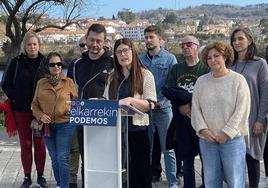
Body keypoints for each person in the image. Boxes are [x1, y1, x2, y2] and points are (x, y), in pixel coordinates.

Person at [191, 41, 250, 187]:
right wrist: (203, 130)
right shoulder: (201, 82)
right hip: (207, 141)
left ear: (225, 56)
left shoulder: (238, 80)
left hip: (232, 141)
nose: (212, 60)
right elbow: (195, 109)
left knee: (235, 182)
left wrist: (227, 132)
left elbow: (242, 110)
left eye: (216, 56)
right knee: (211, 182)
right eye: (209, 58)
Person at [103, 37, 157, 188]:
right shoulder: (113, 76)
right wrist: (98, 101)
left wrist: (131, 100)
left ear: (133, 52)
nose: (122, 55)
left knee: (140, 172)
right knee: (120, 173)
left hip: (138, 130)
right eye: (118, 52)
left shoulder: (145, 75)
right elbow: (108, 101)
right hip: (117, 132)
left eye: (125, 50)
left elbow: (151, 104)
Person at [68, 23, 113, 187]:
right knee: (85, 157)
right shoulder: (75, 63)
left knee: (106, 156)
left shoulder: (113, 62)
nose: (95, 44)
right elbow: (70, 91)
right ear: (86, 39)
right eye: (91, 40)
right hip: (82, 117)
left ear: (105, 41)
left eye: (99, 41)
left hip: (106, 117)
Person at [1, 31, 48, 188]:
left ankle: (41, 176)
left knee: (40, 144)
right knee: (26, 144)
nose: (32, 47)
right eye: (29, 44)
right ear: (25, 46)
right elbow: (5, 84)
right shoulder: (16, 62)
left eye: (35, 44)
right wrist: (16, 97)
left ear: (39, 45)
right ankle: (27, 177)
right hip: (21, 110)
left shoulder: (45, 62)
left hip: (40, 111)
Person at [166, 35, 209, 188]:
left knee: (206, 160)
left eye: (188, 44)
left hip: (203, 122)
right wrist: (179, 107)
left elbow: (210, 92)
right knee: (188, 161)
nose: (184, 47)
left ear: (197, 46)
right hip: (183, 122)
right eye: (182, 44)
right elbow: (169, 90)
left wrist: (191, 105)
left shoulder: (205, 68)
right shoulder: (176, 69)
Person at [31, 51, 78, 188]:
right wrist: (40, 115)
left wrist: (70, 109)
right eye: (52, 64)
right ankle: (59, 184)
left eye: (59, 64)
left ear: (62, 65)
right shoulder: (41, 83)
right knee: (54, 157)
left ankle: (64, 186)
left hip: (65, 125)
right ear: (47, 66)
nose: (56, 66)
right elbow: (34, 104)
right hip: (47, 127)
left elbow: (76, 102)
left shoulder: (68, 82)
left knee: (62, 157)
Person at [140, 25, 178, 188]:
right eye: (146, 37)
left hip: (164, 110)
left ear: (160, 39)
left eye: (151, 37)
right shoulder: (140, 60)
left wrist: (157, 102)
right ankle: (145, 180)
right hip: (144, 111)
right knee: (146, 148)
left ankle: (173, 183)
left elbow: (171, 85)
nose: (148, 40)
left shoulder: (170, 59)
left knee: (168, 149)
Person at [230, 27, 268, 188]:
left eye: (240, 39)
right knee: (234, 161)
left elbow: (265, 93)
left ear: (250, 40)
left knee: (252, 158)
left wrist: (260, 120)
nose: (237, 42)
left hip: (253, 118)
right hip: (232, 118)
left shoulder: (260, 64)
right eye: (234, 39)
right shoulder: (228, 64)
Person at [68, 35, 88, 188]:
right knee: (74, 148)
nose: (85, 47)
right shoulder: (74, 64)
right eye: (82, 45)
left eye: (86, 44)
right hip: (77, 109)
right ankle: (72, 181)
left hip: (98, 113)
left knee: (91, 150)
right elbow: (68, 87)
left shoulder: (107, 62)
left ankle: (88, 178)